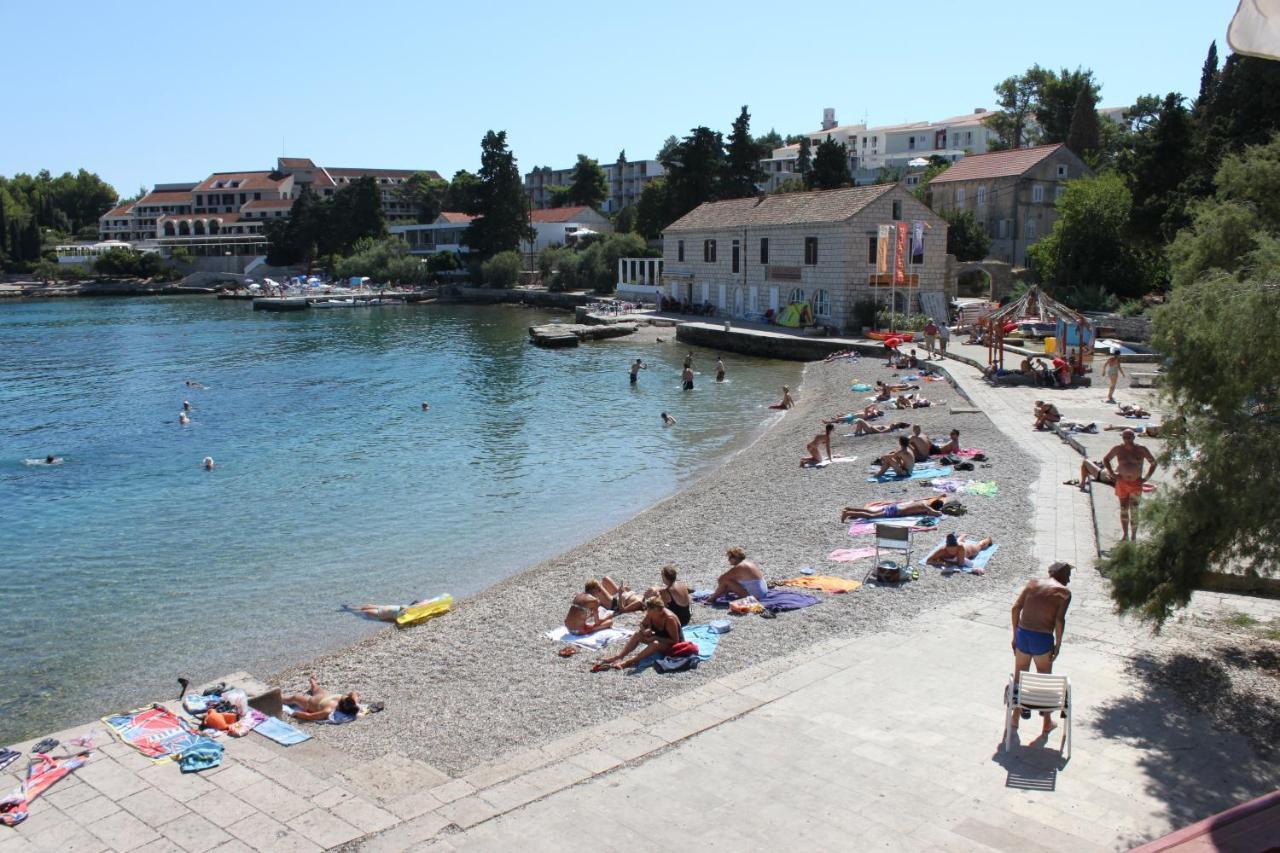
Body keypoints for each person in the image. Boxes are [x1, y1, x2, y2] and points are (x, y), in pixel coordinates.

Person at [1009, 562, 1073, 738]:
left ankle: (1015, 717)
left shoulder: (1032, 584)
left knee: (1020, 677)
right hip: (1042, 638)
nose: (1069, 578)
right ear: (1061, 575)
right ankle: (1046, 722)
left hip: (1023, 634)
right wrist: (1058, 644)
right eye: (1068, 574)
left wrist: (1015, 635)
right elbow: (1059, 621)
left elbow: (1015, 608)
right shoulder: (1064, 593)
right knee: (1043, 681)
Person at [597, 596, 683, 670]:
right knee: (637, 635)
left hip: (673, 646)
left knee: (655, 643)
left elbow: (675, 641)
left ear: (657, 610)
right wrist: (645, 630)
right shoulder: (651, 613)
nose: (647, 613)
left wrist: (655, 637)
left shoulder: (669, 619)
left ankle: (629, 661)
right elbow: (642, 624)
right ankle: (620, 656)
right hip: (659, 638)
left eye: (649, 611)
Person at [1102, 429, 1157, 541]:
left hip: (1136, 482)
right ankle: (1125, 534)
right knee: (1123, 508)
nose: (1127, 439)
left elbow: (1153, 462)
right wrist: (1112, 473)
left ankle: (1134, 535)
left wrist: (1146, 478)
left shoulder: (1141, 449)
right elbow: (1106, 459)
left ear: (1134, 437)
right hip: (1122, 482)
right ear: (1122, 437)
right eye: (1125, 437)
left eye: (1129, 437)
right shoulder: (1118, 449)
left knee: (1134, 509)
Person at [282, 675, 361, 723]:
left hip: (309, 702)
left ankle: (280, 698)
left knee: (294, 698)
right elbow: (354, 693)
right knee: (316, 688)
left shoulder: (328, 710)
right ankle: (312, 681)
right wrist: (355, 702)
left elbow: (310, 716)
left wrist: (296, 714)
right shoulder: (351, 702)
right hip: (324, 695)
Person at [841, 495, 946, 521]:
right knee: (871, 516)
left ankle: (849, 508)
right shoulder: (926, 507)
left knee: (870, 510)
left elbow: (929, 498)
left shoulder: (924, 502)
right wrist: (940, 511)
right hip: (897, 511)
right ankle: (848, 513)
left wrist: (940, 497)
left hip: (895, 506)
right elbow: (937, 514)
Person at [927, 532, 994, 566]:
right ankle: (961, 537)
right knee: (958, 542)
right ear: (946, 547)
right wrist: (941, 562)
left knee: (979, 546)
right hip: (957, 544)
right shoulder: (942, 550)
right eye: (950, 549)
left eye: (953, 549)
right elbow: (929, 560)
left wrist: (946, 561)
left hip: (968, 550)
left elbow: (960, 563)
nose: (952, 551)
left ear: (956, 547)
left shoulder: (960, 548)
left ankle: (988, 539)